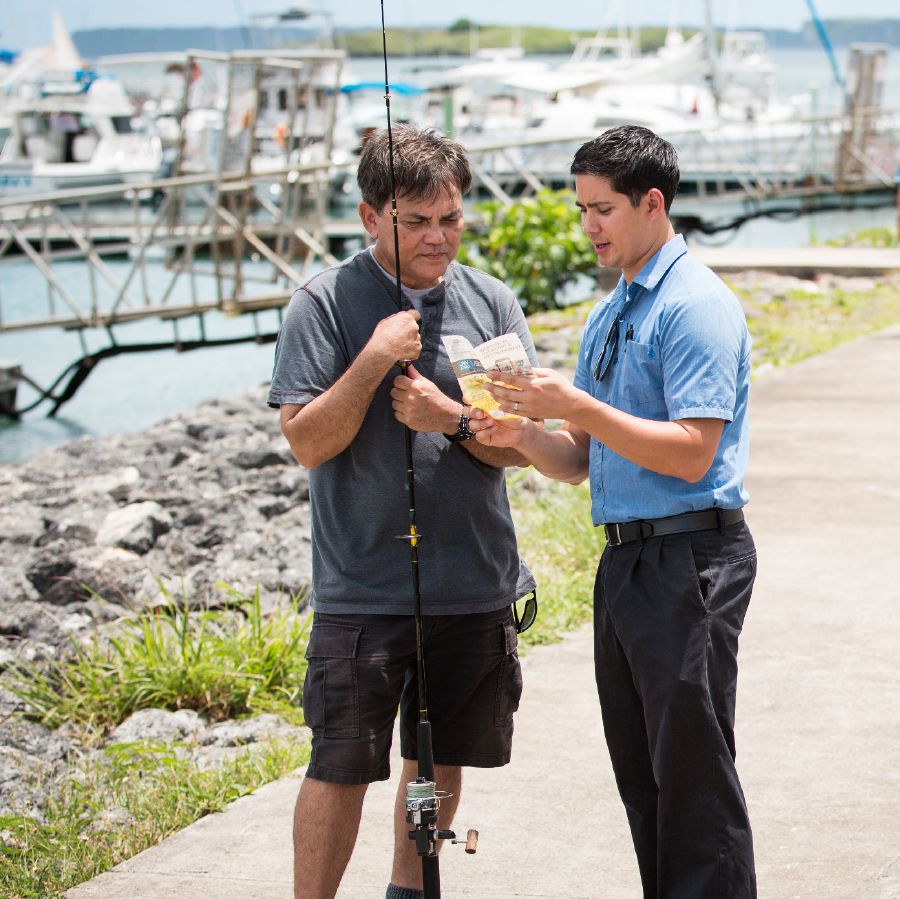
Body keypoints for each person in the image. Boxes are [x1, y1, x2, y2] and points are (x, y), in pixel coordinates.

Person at [473, 125, 757, 898]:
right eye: (581, 209)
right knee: (642, 772)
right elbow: (577, 461)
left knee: (693, 774)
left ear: (652, 202)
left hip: (691, 556)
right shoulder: (611, 311)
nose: (589, 226)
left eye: (602, 209)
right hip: (626, 559)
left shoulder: (694, 304)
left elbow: (694, 452)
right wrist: (527, 430)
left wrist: (579, 405)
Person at [267, 124, 538, 899]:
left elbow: (518, 446)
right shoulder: (321, 304)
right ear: (367, 216)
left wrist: (447, 414)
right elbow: (307, 442)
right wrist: (375, 358)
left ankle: (408, 889)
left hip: (470, 585)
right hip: (363, 590)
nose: (437, 236)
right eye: (415, 221)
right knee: (340, 763)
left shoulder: (490, 304)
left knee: (437, 754)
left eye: (450, 218)